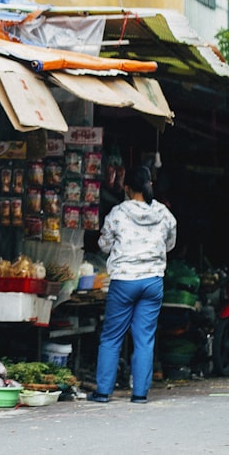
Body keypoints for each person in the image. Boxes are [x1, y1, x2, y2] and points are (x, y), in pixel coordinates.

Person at [91, 166, 176, 404]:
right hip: (152, 281)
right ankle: (139, 394)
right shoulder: (164, 213)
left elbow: (104, 244)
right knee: (144, 338)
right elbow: (169, 245)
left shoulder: (118, 213)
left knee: (111, 337)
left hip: (124, 280)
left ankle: (103, 392)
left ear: (127, 188)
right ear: (150, 185)